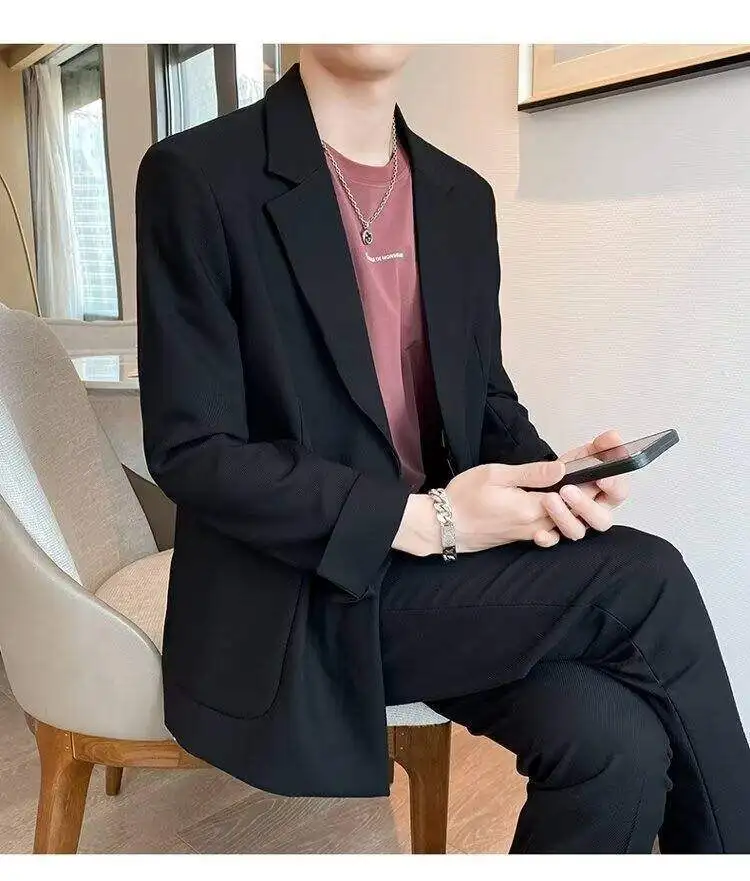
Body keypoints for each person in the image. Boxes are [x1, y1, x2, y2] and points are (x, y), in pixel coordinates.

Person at [135, 45, 750, 853]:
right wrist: (426, 520)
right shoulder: (197, 174)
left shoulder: (460, 195)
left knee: (615, 743)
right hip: (301, 587)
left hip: (441, 581)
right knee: (647, 572)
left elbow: (485, 399)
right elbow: (195, 450)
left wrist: (551, 482)